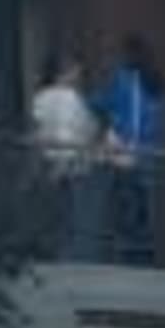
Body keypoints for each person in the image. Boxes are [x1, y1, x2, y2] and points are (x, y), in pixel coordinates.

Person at [99, 32, 165, 264]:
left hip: (128, 152)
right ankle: (146, 255)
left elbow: (104, 102)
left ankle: (129, 255)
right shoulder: (156, 81)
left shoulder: (125, 79)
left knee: (124, 204)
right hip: (150, 153)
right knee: (144, 207)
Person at [28, 51, 102, 257]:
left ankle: (50, 254)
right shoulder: (70, 98)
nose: (79, 76)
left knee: (51, 217)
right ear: (64, 73)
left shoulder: (40, 97)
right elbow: (67, 135)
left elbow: (36, 131)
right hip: (69, 168)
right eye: (75, 71)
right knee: (71, 219)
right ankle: (68, 258)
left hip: (47, 163)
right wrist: (63, 165)